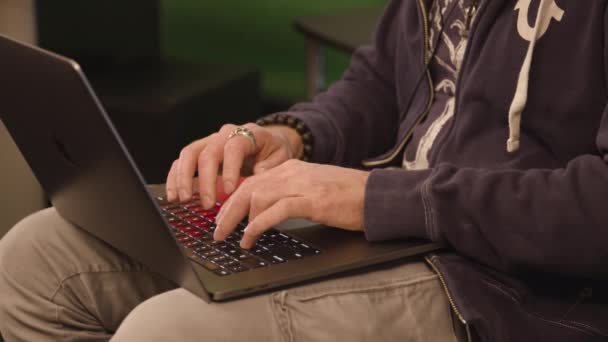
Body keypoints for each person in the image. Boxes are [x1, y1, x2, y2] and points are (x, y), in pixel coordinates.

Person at [1, 0, 607, 340]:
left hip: (504, 287)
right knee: (35, 259)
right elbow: (376, 82)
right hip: (389, 235)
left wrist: (376, 197)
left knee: (168, 333)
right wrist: (291, 136)